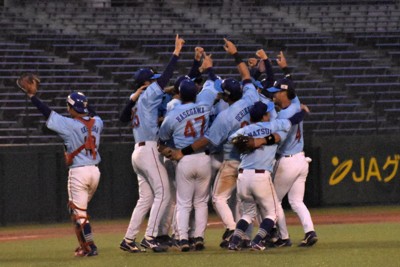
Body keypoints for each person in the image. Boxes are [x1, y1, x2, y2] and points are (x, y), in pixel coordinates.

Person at [169, 38, 260, 248]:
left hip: (234, 160)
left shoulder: (225, 117)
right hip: (256, 159)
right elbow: (246, 76)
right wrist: (235, 55)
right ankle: (246, 235)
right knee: (245, 203)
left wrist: (183, 151)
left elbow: (206, 141)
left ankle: (231, 230)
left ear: (225, 96)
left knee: (218, 198)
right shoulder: (250, 98)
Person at [16, 74, 103, 257]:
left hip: (79, 172)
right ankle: (84, 245)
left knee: (79, 213)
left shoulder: (68, 124)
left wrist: (32, 96)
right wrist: (83, 101)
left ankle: (90, 247)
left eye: (69, 106)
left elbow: (46, 112)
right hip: (95, 172)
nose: (67, 109)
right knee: (78, 211)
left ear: (72, 108)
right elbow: (91, 112)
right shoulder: (98, 122)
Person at [119, 34, 185, 253]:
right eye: (152, 80)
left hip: (138, 152)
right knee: (164, 193)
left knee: (146, 198)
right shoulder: (146, 96)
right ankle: (149, 237)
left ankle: (129, 239)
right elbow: (165, 80)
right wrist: (175, 54)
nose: (156, 82)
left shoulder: (138, 99)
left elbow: (123, 117)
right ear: (145, 84)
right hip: (147, 150)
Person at [158, 53, 218, 252]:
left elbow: (163, 137)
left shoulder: (174, 112)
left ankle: (183, 239)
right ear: (196, 92)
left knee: (184, 203)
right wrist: (207, 67)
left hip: (183, 159)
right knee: (201, 202)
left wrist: (167, 150)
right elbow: (212, 84)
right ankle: (198, 237)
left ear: (180, 94)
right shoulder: (204, 103)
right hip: (203, 158)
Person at [227, 101, 305, 251]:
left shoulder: (245, 129)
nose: (269, 115)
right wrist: (303, 112)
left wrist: (248, 141)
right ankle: (256, 241)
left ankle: (233, 242)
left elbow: (232, 139)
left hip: (243, 176)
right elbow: (293, 120)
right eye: (267, 113)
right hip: (260, 176)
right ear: (264, 116)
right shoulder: (273, 125)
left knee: (248, 214)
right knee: (273, 213)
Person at [250, 77, 318, 247]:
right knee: (296, 201)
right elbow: (293, 92)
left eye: (277, 92)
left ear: (284, 93)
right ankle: (310, 232)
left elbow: (277, 141)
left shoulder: (284, 115)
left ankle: (283, 237)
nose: (274, 96)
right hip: (302, 160)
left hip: (287, 162)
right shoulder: (295, 104)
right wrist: (286, 69)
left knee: (273, 203)